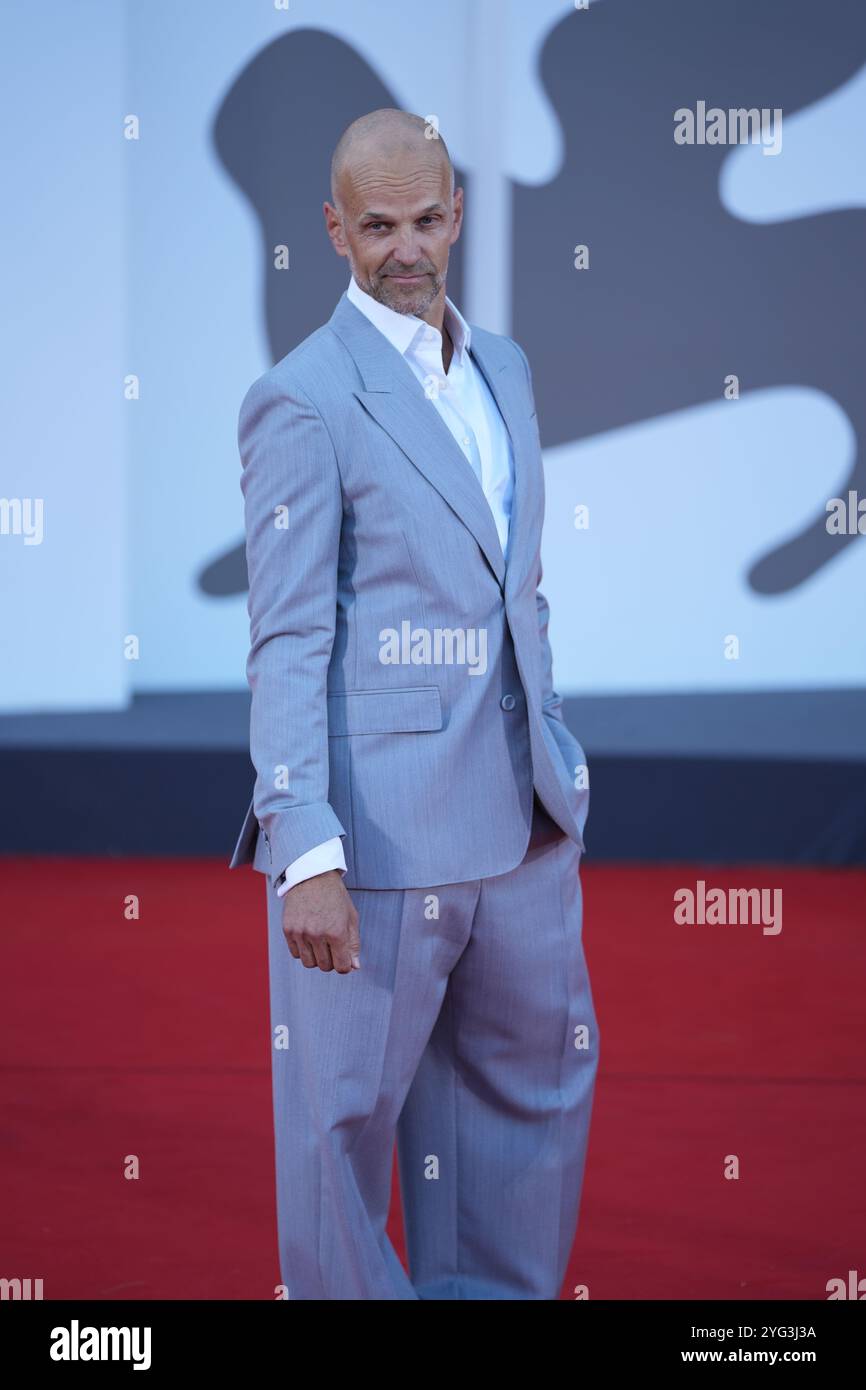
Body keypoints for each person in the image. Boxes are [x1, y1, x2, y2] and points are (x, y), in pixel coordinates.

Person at [229, 107, 599, 1300]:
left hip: (523, 826)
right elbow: (286, 635)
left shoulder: (508, 366)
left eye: (426, 218)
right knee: (341, 1132)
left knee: (525, 1107)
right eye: (376, 223)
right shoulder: (302, 399)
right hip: (378, 844)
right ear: (333, 230)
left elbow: (516, 590)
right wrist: (303, 849)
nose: (405, 245)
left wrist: (557, 759)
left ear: (457, 217)